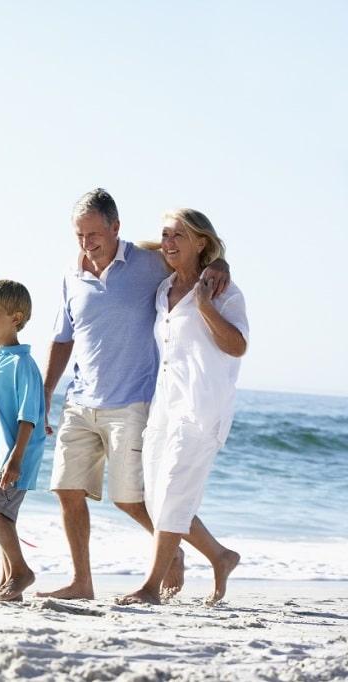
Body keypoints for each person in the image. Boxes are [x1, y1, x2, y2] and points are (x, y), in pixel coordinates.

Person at [36, 188, 230, 601]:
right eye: (79, 236)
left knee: (131, 500)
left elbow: (194, 258)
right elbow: (62, 337)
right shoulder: (72, 273)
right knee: (67, 491)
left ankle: (181, 551)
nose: (87, 244)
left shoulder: (148, 263)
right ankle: (82, 582)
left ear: (115, 228)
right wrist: (47, 392)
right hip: (80, 400)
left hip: (132, 403)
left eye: (94, 234)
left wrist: (221, 263)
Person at [117, 209, 246, 606]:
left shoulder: (225, 290)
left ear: (201, 242)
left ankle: (151, 586)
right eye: (166, 235)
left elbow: (238, 345)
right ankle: (221, 557)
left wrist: (205, 302)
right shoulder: (163, 288)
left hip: (202, 408)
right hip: (165, 408)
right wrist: (183, 251)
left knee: (173, 495)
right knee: (158, 501)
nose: (169, 242)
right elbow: (142, 249)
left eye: (180, 236)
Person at [0, 279, 46, 602]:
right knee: (4, 519)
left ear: (16, 318)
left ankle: (22, 573)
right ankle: (7, 582)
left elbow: (27, 417)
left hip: (19, 456)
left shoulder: (23, 364)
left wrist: (15, 459)